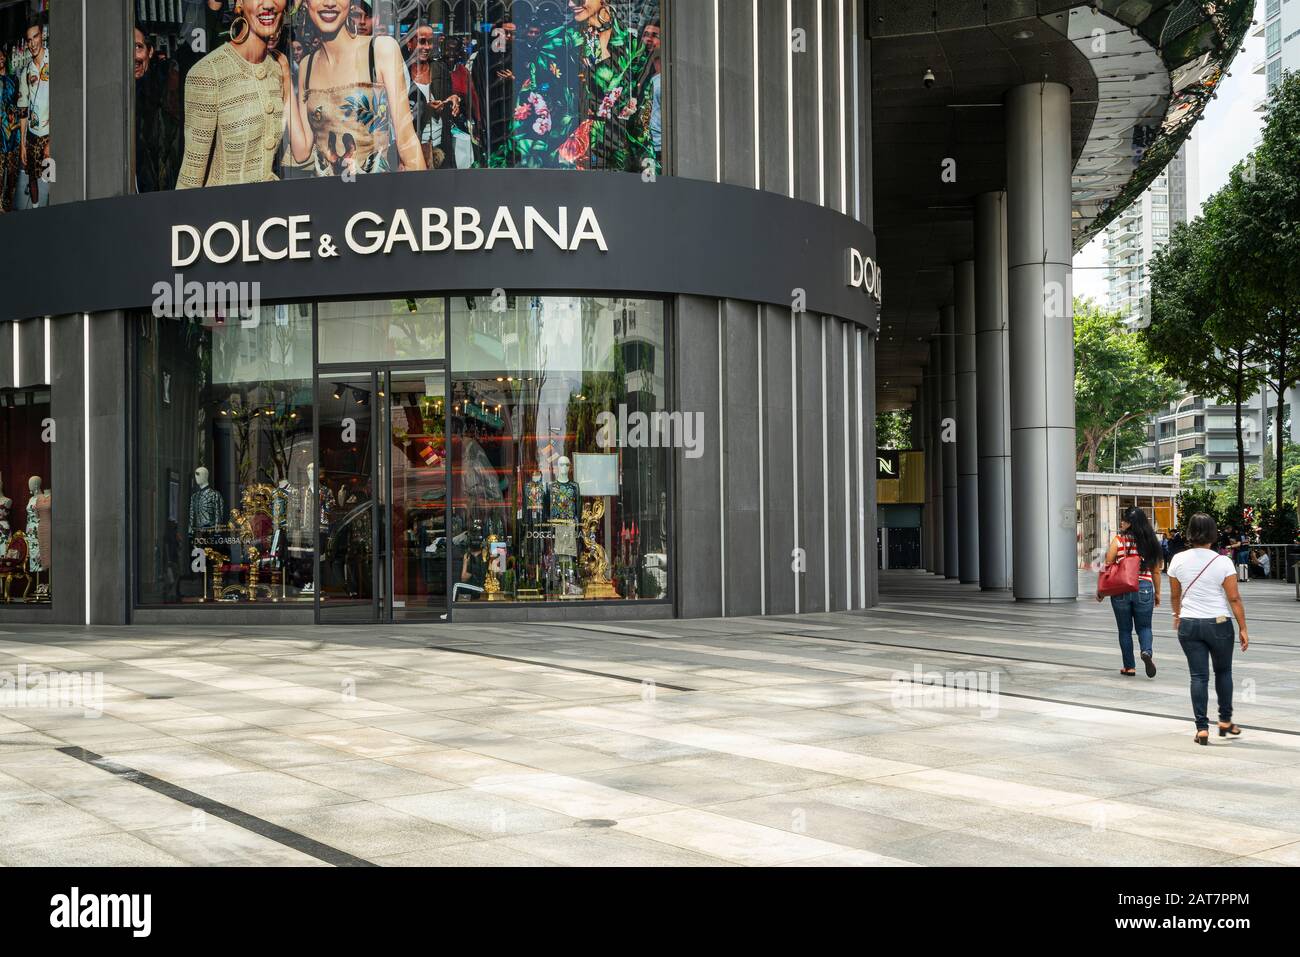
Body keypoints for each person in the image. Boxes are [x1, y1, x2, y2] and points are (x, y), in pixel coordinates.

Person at [495, 0, 655, 171]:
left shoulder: (633, 47)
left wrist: (648, 168)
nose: (572, 3)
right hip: (566, 166)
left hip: (617, 165)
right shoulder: (555, 44)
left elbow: (640, 118)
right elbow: (532, 107)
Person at [289, 0, 425, 176]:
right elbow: (301, 153)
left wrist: (425, 198)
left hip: (374, 196)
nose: (329, 3)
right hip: (323, 197)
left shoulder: (380, 51)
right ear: (305, 3)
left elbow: (406, 140)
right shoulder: (306, 67)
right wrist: (284, 74)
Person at [177, 0, 291, 188]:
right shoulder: (208, 73)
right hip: (222, 214)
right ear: (239, 2)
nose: (269, 4)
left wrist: (286, 74)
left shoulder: (278, 69)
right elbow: (191, 175)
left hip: (271, 214)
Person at [1168, 513, 1250, 745]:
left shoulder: (1177, 560)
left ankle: (1202, 728)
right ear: (1213, 534)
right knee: (1223, 672)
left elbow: (1175, 595)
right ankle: (1224, 721)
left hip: (1189, 624)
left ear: (1189, 533)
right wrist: (1243, 627)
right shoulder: (1223, 561)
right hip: (1219, 624)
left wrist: (1177, 615)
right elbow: (1234, 598)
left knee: (1198, 676)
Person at [1097, 506, 1163, 677]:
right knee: (1145, 627)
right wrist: (1157, 593)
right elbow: (1156, 570)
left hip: (1121, 589)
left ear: (1130, 523)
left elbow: (1108, 564)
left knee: (1125, 630)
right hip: (1144, 588)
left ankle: (1129, 667)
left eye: (1125, 520)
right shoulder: (1150, 541)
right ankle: (1146, 652)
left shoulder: (1119, 540)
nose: (1122, 522)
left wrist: (1101, 590)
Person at [16, 19, 50, 209]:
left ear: (42, 36)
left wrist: (53, 139)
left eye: (35, 37)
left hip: (49, 136)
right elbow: (22, 110)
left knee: (50, 179)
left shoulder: (54, 61)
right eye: (29, 40)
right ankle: (36, 210)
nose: (32, 43)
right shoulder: (25, 72)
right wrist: (22, 144)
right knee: (32, 179)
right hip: (32, 137)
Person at [0, 49, 18, 213]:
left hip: (12, 132)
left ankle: (9, 205)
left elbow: (18, 102)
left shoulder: (14, 79)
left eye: (2, 55)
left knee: (12, 173)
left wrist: (12, 112)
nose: (0, 58)